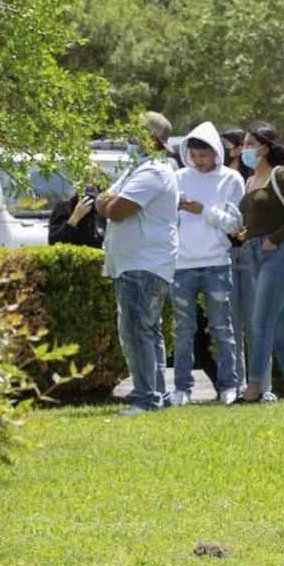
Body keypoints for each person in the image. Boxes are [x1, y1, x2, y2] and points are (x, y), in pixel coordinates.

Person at [96, 112, 179, 415]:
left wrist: (108, 201)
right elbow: (102, 201)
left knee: (134, 329)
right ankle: (157, 393)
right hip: (137, 263)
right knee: (147, 328)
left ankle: (146, 397)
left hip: (143, 264)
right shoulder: (137, 169)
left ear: (152, 140)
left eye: (135, 133)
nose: (128, 139)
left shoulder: (152, 172)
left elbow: (114, 210)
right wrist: (107, 200)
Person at [168, 122, 245, 407]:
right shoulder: (177, 177)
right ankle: (182, 388)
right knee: (183, 330)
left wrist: (203, 210)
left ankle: (230, 385)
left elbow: (235, 224)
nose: (200, 161)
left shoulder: (231, 179)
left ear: (216, 153)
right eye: (195, 155)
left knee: (223, 328)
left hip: (216, 263)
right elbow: (166, 220)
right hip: (181, 264)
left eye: (205, 155)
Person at [237, 121, 284, 403]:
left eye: (250, 144)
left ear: (266, 148)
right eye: (243, 145)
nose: (245, 150)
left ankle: (253, 388)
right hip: (255, 252)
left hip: (280, 253)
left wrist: (274, 239)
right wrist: (247, 235)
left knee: (261, 322)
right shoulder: (249, 180)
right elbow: (256, 217)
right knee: (279, 324)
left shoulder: (280, 175)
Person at [220, 126, 260, 393]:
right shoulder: (224, 177)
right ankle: (238, 384)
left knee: (255, 322)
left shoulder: (251, 177)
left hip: (250, 252)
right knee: (232, 324)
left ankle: (258, 382)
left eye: (226, 146)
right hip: (228, 252)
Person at [48, 174, 106, 248]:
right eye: (90, 189)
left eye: (98, 189)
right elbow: (54, 243)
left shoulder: (108, 210)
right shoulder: (65, 208)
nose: (95, 193)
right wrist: (75, 217)